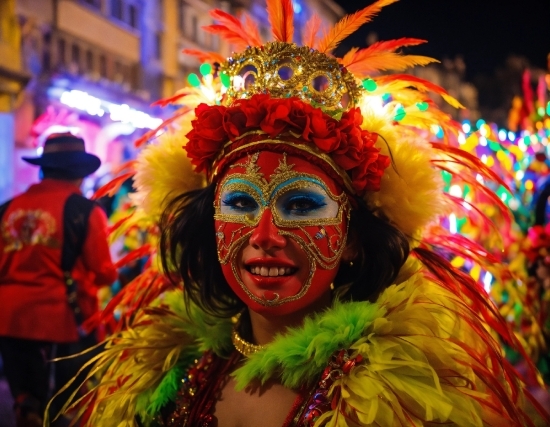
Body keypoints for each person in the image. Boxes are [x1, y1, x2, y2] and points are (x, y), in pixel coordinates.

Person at [54, 1, 550, 426]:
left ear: (354, 237)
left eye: (302, 205)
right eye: (241, 203)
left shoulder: (402, 396)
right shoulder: (169, 372)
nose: (264, 234)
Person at [0, 132, 118, 427]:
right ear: (80, 173)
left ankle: (26, 406)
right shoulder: (85, 211)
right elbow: (103, 271)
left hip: (9, 318)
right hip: (60, 321)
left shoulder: (7, 208)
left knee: (24, 396)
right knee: (62, 403)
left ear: (44, 169)